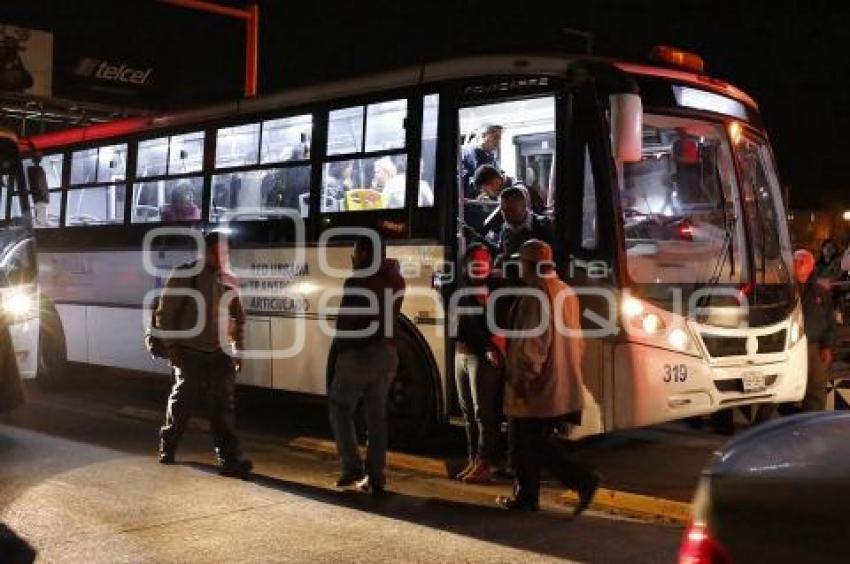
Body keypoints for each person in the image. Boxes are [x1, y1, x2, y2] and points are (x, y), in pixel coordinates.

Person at [497, 239, 599, 514]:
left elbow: (531, 346)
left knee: (527, 443)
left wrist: (521, 380)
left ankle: (579, 481)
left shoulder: (535, 295)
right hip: (560, 382)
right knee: (534, 443)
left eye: (521, 263)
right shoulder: (565, 291)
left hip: (538, 387)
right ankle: (529, 496)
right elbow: (577, 342)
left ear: (530, 265)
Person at [157, 231, 253, 477]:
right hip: (189, 351)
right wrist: (172, 348)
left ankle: (230, 458)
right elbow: (165, 314)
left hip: (219, 352)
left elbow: (239, 319)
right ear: (205, 252)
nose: (223, 258)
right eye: (218, 252)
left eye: (226, 253)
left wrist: (238, 351)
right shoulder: (183, 275)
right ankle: (168, 445)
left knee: (223, 406)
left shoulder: (230, 280)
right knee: (182, 403)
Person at [329, 234, 406, 495]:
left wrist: (342, 349)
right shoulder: (396, 279)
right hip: (387, 353)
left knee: (340, 406)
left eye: (356, 251)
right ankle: (376, 477)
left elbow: (348, 322)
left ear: (365, 253)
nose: (353, 256)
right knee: (376, 417)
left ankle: (352, 466)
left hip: (360, 353)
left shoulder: (358, 280)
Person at [452, 243, 507, 484]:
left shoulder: (496, 289)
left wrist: (484, 306)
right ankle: (474, 459)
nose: (480, 266)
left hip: (481, 357)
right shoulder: (461, 286)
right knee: (468, 413)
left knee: (483, 412)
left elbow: (498, 327)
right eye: (475, 262)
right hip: (461, 354)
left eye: (484, 262)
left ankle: (486, 462)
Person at [796, 249, 835, 411]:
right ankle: (763, 427)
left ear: (811, 266)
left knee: (817, 387)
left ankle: (812, 423)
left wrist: (826, 345)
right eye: (798, 261)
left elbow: (829, 320)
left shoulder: (821, 291)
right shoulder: (784, 289)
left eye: (803, 261)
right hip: (791, 346)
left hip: (814, 346)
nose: (800, 265)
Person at [496, 186, 554, 261]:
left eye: (511, 210)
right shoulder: (505, 228)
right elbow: (500, 253)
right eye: (503, 210)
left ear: (524, 206)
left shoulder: (543, 226)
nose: (506, 214)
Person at [461, 124, 503, 199]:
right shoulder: (474, 154)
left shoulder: (491, 157)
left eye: (499, 138)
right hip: (473, 199)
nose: (498, 142)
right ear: (483, 136)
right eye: (495, 137)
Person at [463, 164, 505, 237]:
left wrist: (491, 207)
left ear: (496, 182)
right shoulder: (499, 194)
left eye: (486, 190)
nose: (485, 193)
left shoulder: (511, 193)